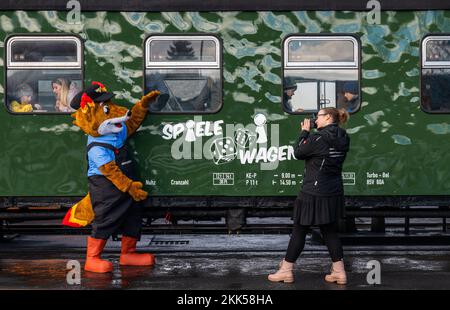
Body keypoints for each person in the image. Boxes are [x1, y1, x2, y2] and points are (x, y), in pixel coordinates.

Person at [268, 107, 350, 284]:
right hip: (333, 190)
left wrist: (305, 132)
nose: (315, 119)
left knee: (299, 230)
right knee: (329, 231)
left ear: (328, 117)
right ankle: (339, 272)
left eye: (318, 116)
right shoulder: (344, 136)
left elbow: (298, 152)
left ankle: (286, 270)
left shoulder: (317, 138)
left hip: (313, 191)